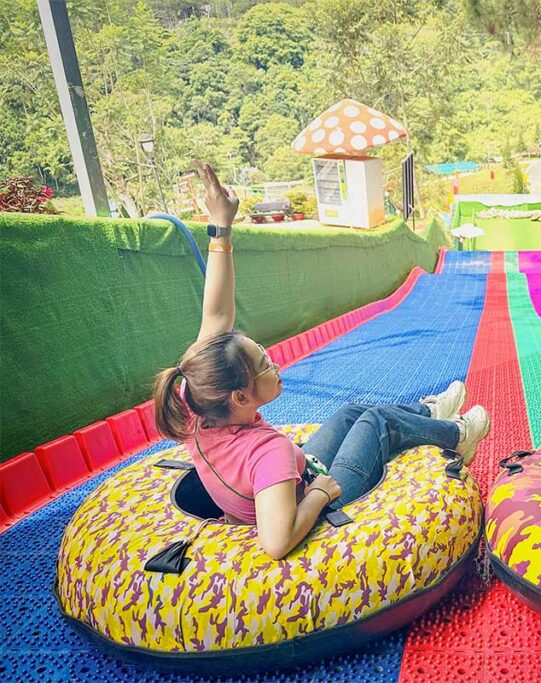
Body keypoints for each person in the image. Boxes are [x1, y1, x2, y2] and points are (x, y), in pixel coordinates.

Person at [152, 162, 491, 560]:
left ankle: (426, 412)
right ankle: (456, 435)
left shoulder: (198, 402)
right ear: (241, 397)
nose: (275, 363)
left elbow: (216, 317)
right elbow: (276, 543)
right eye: (265, 363)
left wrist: (221, 227)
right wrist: (316, 495)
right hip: (323, 496)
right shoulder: (267, 454)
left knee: (349, 413)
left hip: (298, 474)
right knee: (376, 422)